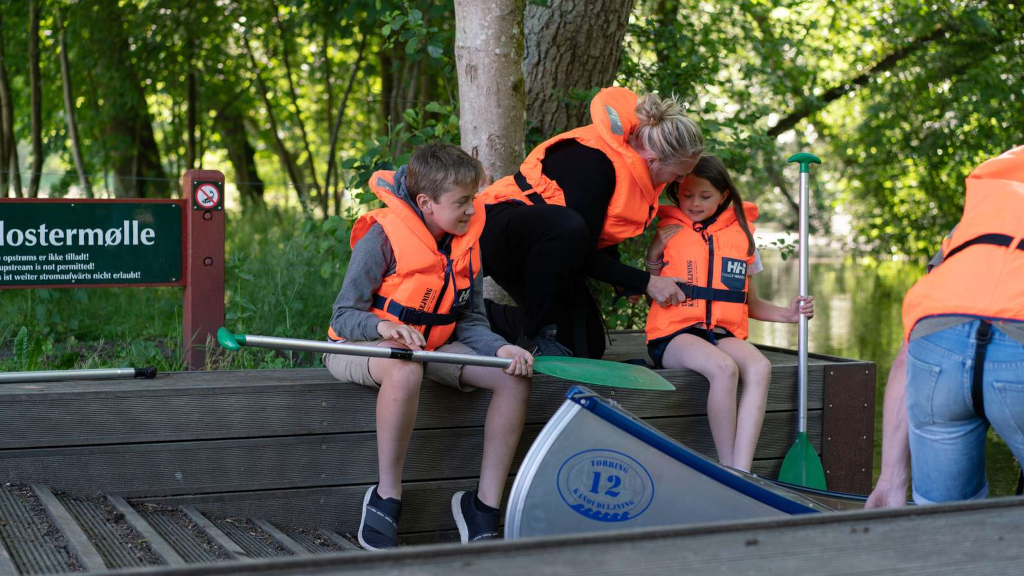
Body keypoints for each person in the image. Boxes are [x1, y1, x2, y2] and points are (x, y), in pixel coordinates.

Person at [323, 143, 534, 549]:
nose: (472, 210)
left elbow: (470, 320)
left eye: (473, 199)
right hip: (360, 346)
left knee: (513, 379)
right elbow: (343, 316)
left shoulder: (465, 241)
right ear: (426, 202)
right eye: (461, 202)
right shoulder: (382, 237)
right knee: (405, 366)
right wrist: (385, 326)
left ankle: (484, 508)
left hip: (434, 347)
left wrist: (500, 349)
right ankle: (386, 497)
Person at [479, 86, 702, 359]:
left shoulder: (633, 168)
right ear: (654, 160)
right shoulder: (594, 162)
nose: (680, 181)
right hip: (497, 228)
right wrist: (646, 282)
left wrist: (622, 280)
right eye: (680, 174)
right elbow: (577, 242)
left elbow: (596, 233)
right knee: (568, 227)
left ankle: (473, 317)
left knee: (585, 345)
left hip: (546, 249)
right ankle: (533, 334)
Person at [643, 155, 814, 472]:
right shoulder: (668, 231)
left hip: (719, 333)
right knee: (724, 369)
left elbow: (750, 303)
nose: (694, 203)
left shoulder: (743, 238)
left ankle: (743, 470)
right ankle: (728, 470)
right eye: (687, 195)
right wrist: (653, 253)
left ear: (723, 196)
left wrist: (788, 315)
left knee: (760, 367)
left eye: (705, 196)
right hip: (675, 336)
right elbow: (651, 282)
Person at [891, 144, 1024, 505]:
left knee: (945, 524)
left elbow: (905, 356)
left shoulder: (982, 215)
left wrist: (891, 477)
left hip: (935, 344)